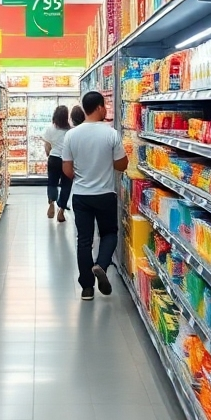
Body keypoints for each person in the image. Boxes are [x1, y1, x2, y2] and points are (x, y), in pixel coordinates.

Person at [61, 90, 127, 301]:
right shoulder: (111, 133)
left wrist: (82, 174)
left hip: (81, 195)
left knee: (84, 241)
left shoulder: (72, 134)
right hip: (105, 194)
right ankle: (101, 265)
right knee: (109, 233)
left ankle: (87, 288)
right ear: (99, 107)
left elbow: (67, 170)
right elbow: (122, 165)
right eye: (104, 105)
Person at [43, 105, 72, 222]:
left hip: (54, 159)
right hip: (67, 160)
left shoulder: (50, 130)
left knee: (52, 183)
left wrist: (49, 154)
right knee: (66, 185)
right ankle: (61, 211)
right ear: (66, 117)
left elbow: (47, 147)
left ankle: (51, 205)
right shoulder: (70, 131)